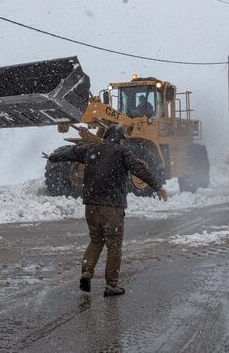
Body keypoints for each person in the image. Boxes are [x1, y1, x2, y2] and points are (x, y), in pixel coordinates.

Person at [43, 125, 168, 297]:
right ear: (121, 138)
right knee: (114, 245)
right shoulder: (123, 152)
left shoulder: (91, 149)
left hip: (91, 206)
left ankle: (87, 272)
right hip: (112, 207)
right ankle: (111, 285)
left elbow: (71, 153)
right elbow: (139, 169)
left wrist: (53, 157)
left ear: (106, 136)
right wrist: (157, 186)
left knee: (96, 240)